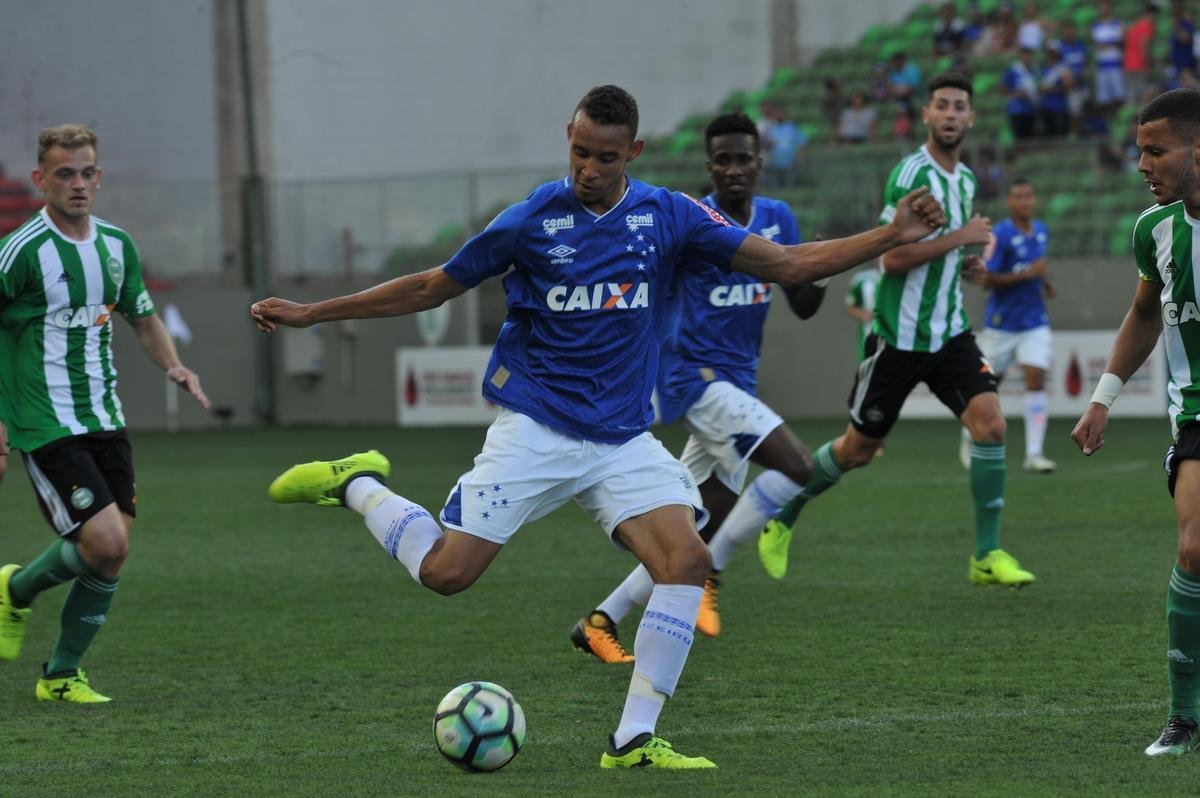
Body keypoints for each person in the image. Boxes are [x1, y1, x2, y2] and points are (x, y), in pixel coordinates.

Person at [250, 85, 945, 770]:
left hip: (620, 439)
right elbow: (434, 285)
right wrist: (313, 313)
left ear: (632, 152)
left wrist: (892, 235)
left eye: (605, 157)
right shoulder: (531, 220)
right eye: (580, 152)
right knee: (445, 574)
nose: (588, 168)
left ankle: (633, 740)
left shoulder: (670, 216)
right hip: (537, 426)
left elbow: (789, 264)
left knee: (687, 561)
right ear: (569, 138)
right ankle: (359, 485)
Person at [757, 72, 1036, 589]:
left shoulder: (966, 179)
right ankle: (783, 516)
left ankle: (986, 554)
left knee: (991, 426)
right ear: (926, 114)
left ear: (971, 118)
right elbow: (892, 258)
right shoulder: (910, 174)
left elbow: (941, 255)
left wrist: (966, 265)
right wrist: (960, 238)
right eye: (941, 105)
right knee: (856, 451)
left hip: (950, 332)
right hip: (899, 337)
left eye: (959, 106)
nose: (950, 114)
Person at [569, 111, 826, 662]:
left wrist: (819, 266)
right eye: (722, 160)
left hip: (738, 384)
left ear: (759, 163)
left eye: (743, 159)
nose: (733, 169)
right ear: (710, 166)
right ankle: (715, 573)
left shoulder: (778, 218)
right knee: (799, 466)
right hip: (692, 378)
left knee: (692, 526)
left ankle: (599, 621)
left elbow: (804, 303)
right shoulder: (692, 221)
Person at [0, 124, 211, 703]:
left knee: (109, 556)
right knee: (108, 542)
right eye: (64, 173)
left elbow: (142, 317)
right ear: (40, 179)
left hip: (105, 416)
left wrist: (174, 365)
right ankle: (43, 640)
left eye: (87, 172)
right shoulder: (21, 252)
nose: (78, 183)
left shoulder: (117, 246)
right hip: (43, 419)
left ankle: (51, 659)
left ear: (99, 177)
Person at [1071, 87, 1200, 756]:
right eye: (1139, 151)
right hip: (1198, 412)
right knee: (1194, 549)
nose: (1143, 164)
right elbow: (1145, 315)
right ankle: (1184, 716)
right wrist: (1103, 397)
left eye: (1156, 150)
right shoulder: (1155, 229)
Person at [958, 177, 1057, 474]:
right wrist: (1028, 275)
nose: (1025, 201)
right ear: (1010, 202)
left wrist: (1043, 282)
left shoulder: (1041, 231)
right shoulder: (999, 235)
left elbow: (1034, 269)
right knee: (988, 386)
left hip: (1034, 321)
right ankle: (969, 435)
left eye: (1028, 195)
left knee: (1036, 378)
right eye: (1018, 196)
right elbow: (986, 280)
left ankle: (1034, 453)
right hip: (1001, 325)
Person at [1093, 0, 1126, 117]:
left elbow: (1123, 43)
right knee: (1104, 99)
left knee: (1119, 95)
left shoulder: (1118, 24)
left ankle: (1120, 120)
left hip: (1115, 65)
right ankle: (1108, 122)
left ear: (1110, 7)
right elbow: (1095, 44)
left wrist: (1110, 43)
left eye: (1106, 6)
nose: (1104, 9)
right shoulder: (1096, 25)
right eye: (1101, 6)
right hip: (1102, 66)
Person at [1004, 46, 1041, 140]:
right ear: (1021, 56)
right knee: (1019, 137)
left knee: (1029, 137)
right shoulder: (1013, 70)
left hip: (1030, 108)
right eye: (1026, 55)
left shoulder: (1034, 70)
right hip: (1016, 109)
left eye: (1030, 55)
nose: (1028, 57)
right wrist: (1017, 93)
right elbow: (1003, 87)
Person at [846, 267, 881, 363]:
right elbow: (850, 307)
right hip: (867, 336)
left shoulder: (898, 277)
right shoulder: (861, 279)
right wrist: (864, 315)